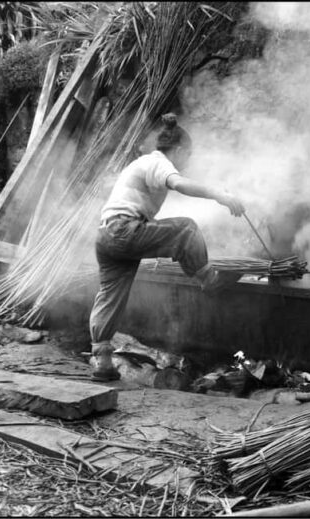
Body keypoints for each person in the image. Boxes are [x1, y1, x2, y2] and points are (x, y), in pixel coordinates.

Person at [88, 113, 245, 381]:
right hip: (124, 231)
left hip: (106, 237)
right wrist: (220, 195)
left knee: (109, 296)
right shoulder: (157, 162)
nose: (187, 162)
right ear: (180, 150)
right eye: (188, 156)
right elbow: (180, 185)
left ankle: (102, 362)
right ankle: (209, 281)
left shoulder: (141, 164)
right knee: (186, 228)